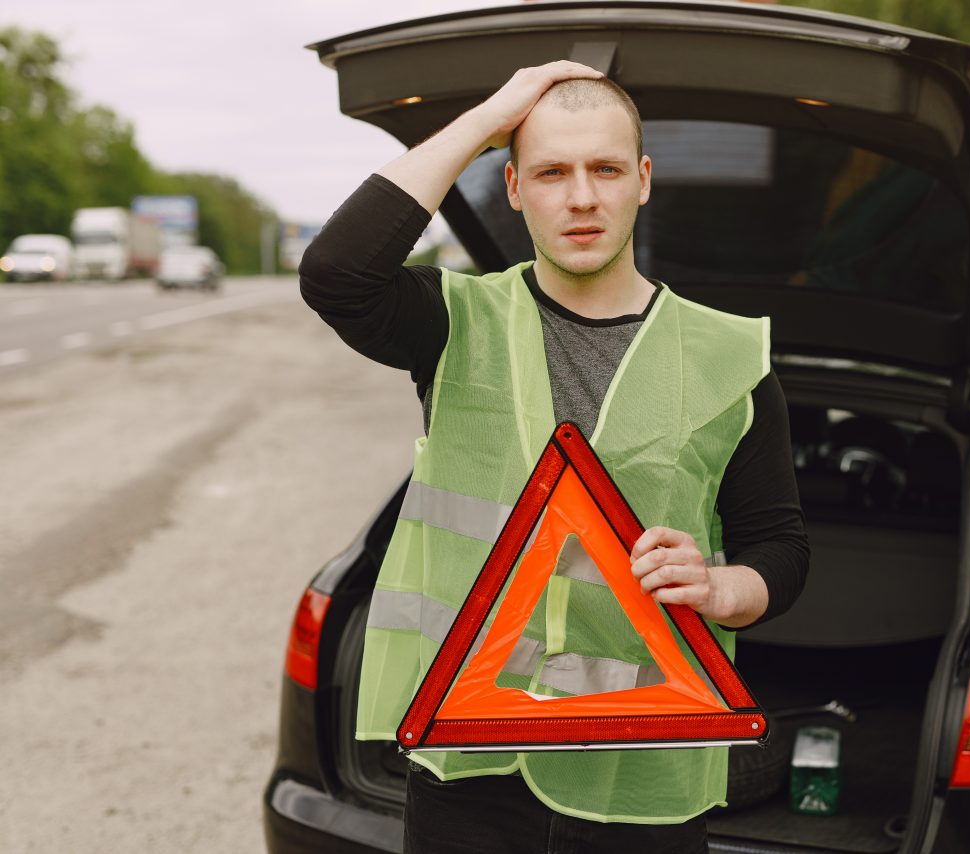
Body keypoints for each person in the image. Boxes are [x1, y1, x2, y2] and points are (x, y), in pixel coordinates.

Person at [299, 60, 809, 854]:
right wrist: (490, 112)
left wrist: (719, 587)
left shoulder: (729, 357)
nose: (581, 197)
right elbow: (335, 271)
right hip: (472, 766)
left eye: (605, 169)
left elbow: (781, 551)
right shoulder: (454, 321)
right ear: (511, 187)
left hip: (641, 773)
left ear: (643, 180)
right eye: (550, 172)